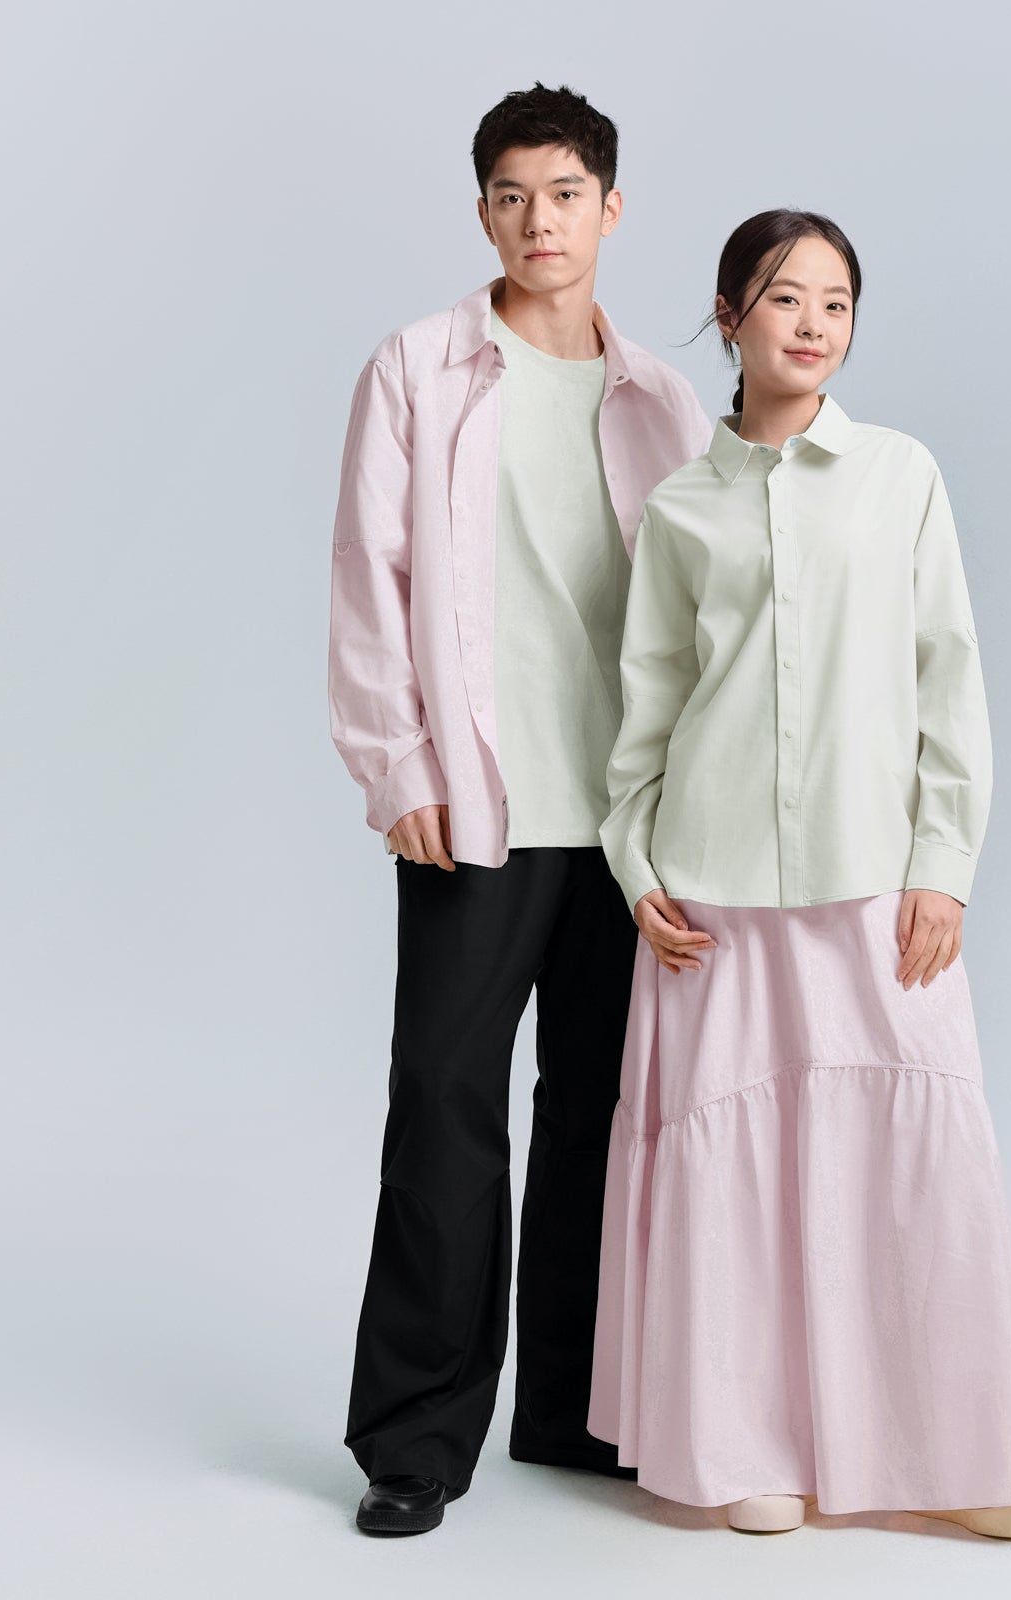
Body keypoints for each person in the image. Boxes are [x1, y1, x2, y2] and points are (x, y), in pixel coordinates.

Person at [587, 210, 1011, 1537]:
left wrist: (943, 863)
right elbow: (649, 705)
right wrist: (634, 864)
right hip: (714, 889)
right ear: (729, 314)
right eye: (785, 297)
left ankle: (959, 1462)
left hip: (873, 879)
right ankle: (747, 1450)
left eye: (836, 301)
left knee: (914, 1161)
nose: (813, 323)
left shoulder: (902, 475)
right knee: (736, 1175)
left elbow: (948, 675)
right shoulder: (682, 508)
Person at [327, 82, 712, 1537]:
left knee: (601, 1114)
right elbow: (371, 576)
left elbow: (699, 617)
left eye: (563, 195)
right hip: (478, 810)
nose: (537, 221)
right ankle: (415, 1442)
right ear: (483, 212)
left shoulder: (661, 399)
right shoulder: (419, 369)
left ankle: (575, 1410)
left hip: (624, 822)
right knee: (443, 1106)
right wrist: (398, 767)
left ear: (611, 209)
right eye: (510, 196)